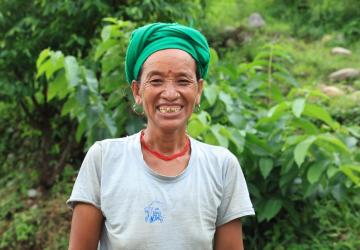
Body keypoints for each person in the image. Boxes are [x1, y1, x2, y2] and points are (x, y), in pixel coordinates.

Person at [67, 22, 255, 250]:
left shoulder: (222, 166)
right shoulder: (104, 160)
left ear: (198, 91)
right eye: (156, 81)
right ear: (137, 91)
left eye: (183, 81)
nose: (170, 93)